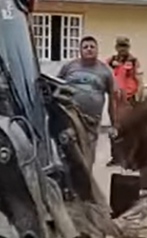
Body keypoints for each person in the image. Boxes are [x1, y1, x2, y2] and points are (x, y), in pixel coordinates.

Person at [57, 36, 117, 170]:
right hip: (69, 118)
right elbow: (56, 87)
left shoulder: (105, 71)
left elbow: (112, 100)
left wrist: (114, 124)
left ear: (97, 50)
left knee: (87, 158)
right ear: (80, 50)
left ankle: (85, 184)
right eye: (85, 47)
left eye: (92, 47)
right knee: (67, 151)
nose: (89, 49)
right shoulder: (69, 67)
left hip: (91, 122)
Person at [105, 36, 140, 166]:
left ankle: (130, 158)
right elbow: (104, 74)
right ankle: (116, 157)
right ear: (116, 47)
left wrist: (140, 97)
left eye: (125, 46)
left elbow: (139, 80)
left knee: (130, 129)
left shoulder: (133, 61)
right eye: (120, 46)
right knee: (114, 128)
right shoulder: (110, 61)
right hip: (114, 100)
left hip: (130, 99)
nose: (122, 49)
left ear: (128, 47)